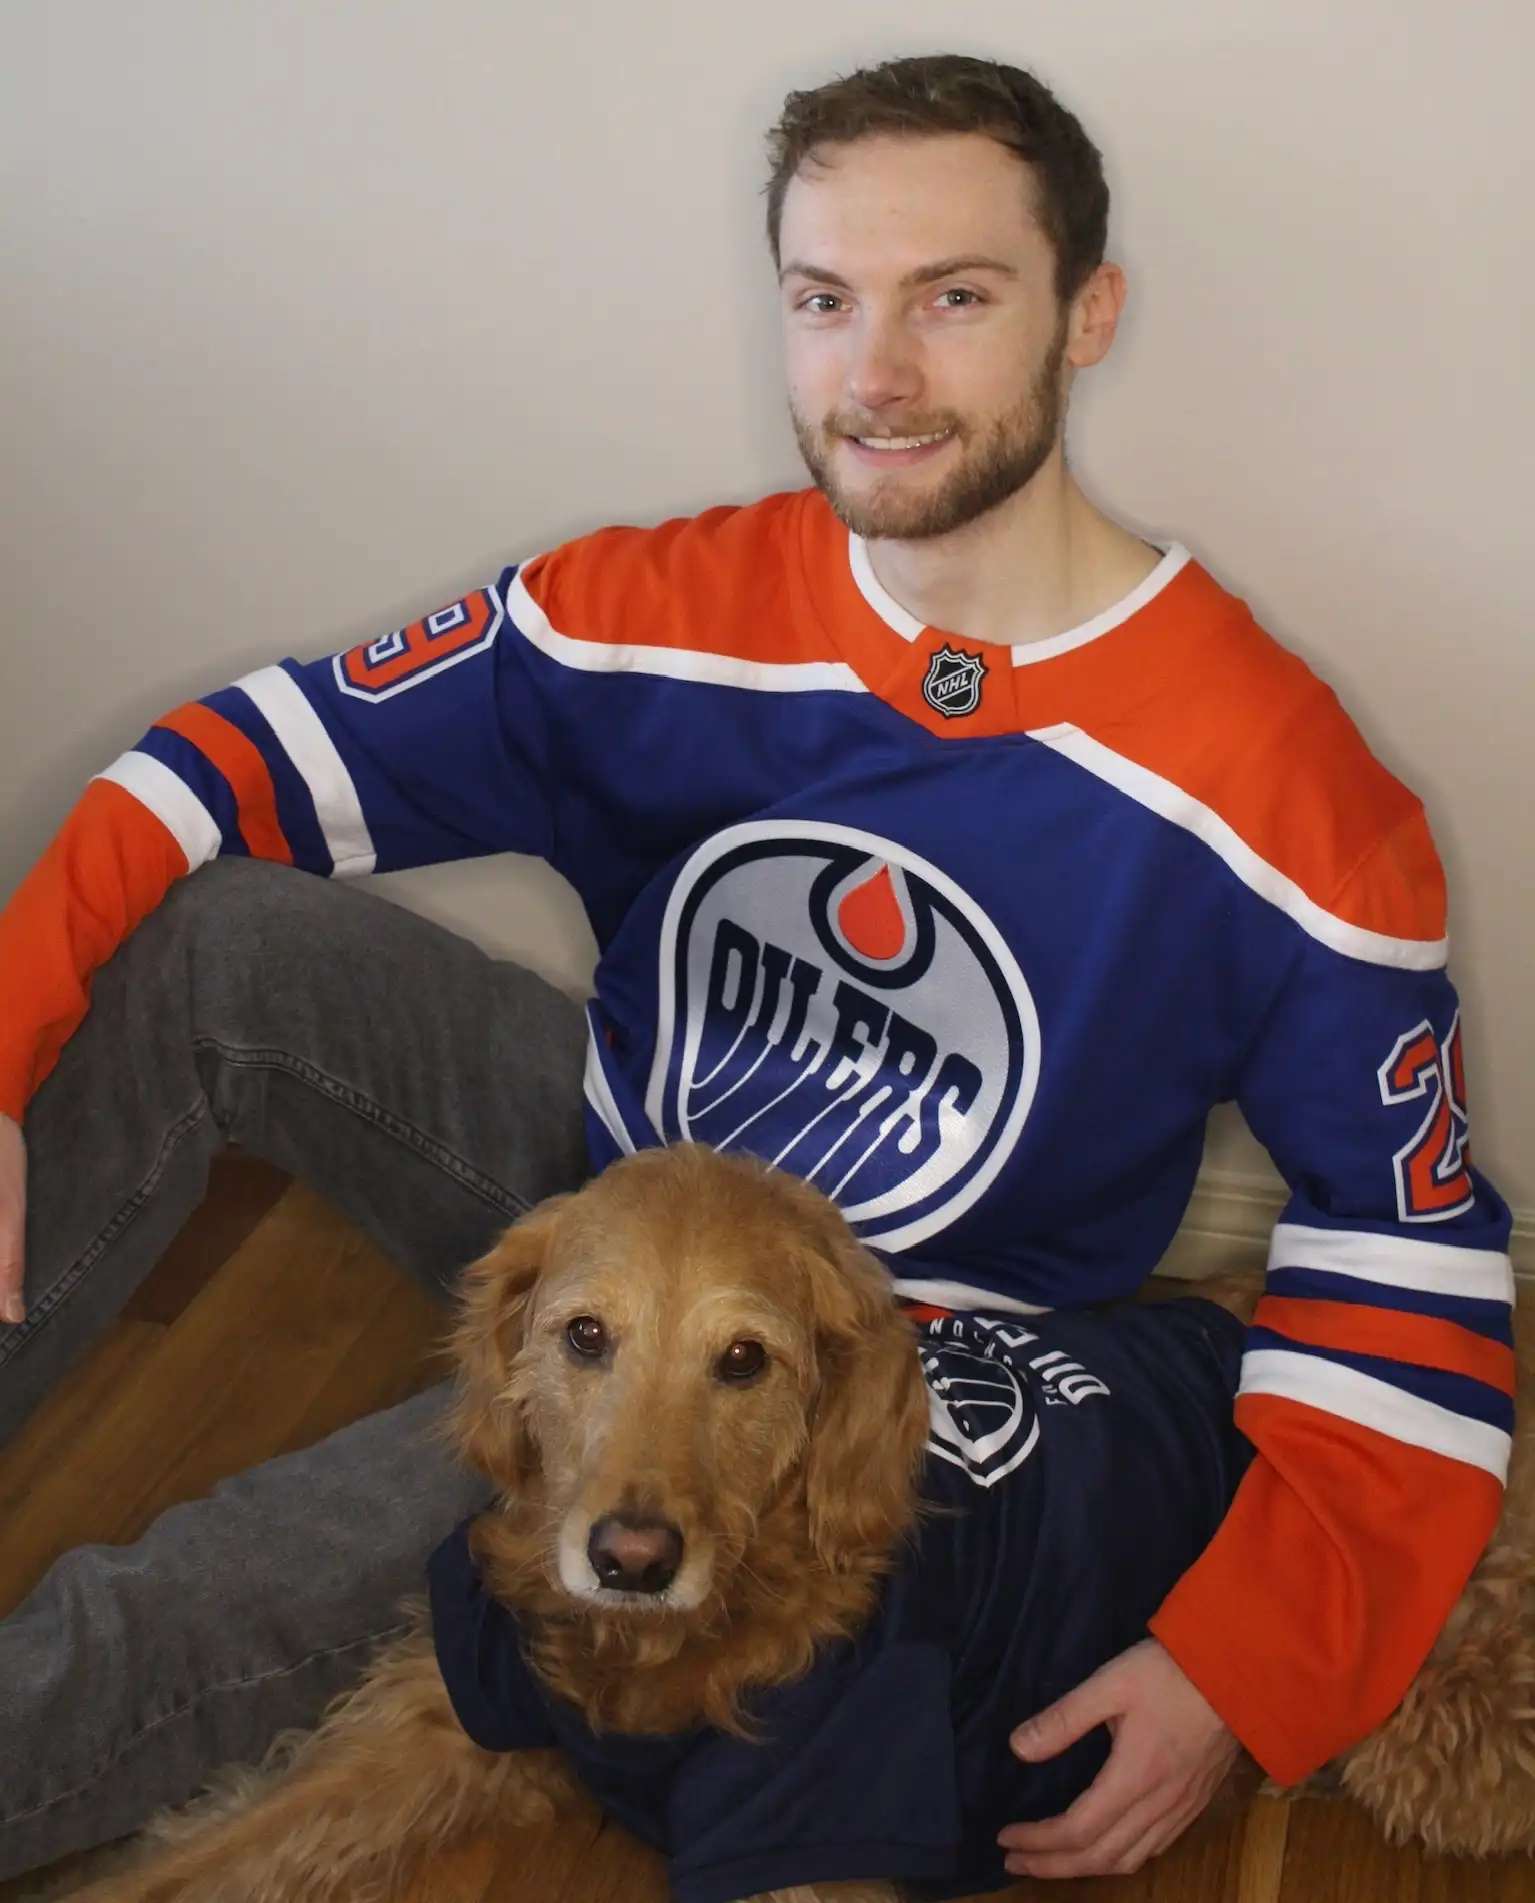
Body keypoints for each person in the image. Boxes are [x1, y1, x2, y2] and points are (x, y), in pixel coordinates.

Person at [0, 51, 1515, 1888]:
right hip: (608, 1196)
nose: (874, 375)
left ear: (1083, 313)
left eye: (952, 298)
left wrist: (1237, 1666)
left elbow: (1409, 1260)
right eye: (824, 302)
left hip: (863, 1354)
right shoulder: (647, 610)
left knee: (208, 1580)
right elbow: (229, 758)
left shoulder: (1286, 793)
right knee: (224, 939)